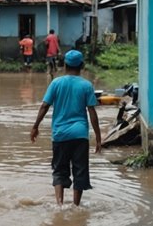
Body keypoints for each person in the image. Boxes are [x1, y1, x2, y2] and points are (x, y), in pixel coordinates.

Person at [30, 50, 102, 206]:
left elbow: (44, 106)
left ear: (64, 65)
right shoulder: (86, 85)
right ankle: (76, 205)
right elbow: (92, 112)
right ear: (82, 66)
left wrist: (35, 126)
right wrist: (98, 137)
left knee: (59, 170)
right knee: (80, 171)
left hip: (60, 134)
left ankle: (60, 205)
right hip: (80, 135)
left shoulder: (56, 83)